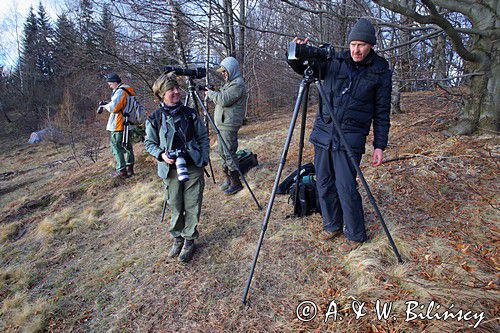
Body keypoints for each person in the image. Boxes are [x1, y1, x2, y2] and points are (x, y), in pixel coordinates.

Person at [288, 18, 392, 251]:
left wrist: (379, 145)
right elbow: (308, 71)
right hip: (324, 133)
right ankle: (332, 224)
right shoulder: (335, 60)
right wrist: (297, 56)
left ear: (371, 46)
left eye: (362, 45)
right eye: (353, 44)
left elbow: (382, 111)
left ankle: (355, 235)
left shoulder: (380, 71)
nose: (356, 50)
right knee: (323, 183)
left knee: (346, 186)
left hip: (351, 138)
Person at [144, 72, 210, 263]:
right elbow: (149, 143)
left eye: (176, 88)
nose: (175, 92)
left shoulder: (189, 114)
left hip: (193, 166)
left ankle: (189, 239)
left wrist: (203, 157)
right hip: (170, 169)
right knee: (175, 204)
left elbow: (203, 137)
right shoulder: (155, 118)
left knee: (192, 204)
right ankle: (177, 237)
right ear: (161, 95)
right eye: (170, 90)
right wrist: (162, 155)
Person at [206, 56, 246, 195]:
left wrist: (210, 93)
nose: (223, 73)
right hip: (222, 123)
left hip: (229, 124)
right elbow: (222, 96)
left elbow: (223, 100)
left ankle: (236, 182)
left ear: (231, 69)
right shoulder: (230, 83)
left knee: (229, 152)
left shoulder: (238, 84)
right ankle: (228, 179)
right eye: (222, 71)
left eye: (225, 71)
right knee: (222, 152)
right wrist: (214, 91)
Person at [100, 73, 136, 178]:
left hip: (119, 124)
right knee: (128, 146)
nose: (110, 86)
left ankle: (122, 171)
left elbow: (114, 108)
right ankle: (130, 169)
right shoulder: (129, 90)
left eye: (110, 84)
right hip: (129, 122)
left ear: (115, 82)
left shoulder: (120, 91)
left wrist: (105, 106)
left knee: (116, 147)